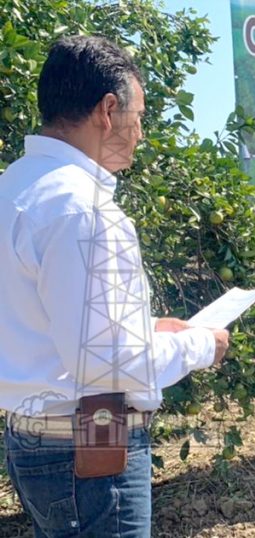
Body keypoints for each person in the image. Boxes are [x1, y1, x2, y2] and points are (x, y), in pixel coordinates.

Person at [0, 36, 229, 537]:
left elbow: (46, 320)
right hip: (89, 448)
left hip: (33, 435)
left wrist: (146, 329)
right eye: (138, 116)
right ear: (108, 110)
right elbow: (111, 364)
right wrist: (198, 344)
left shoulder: (14, 187)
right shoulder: (84, 209)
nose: (140, 133)